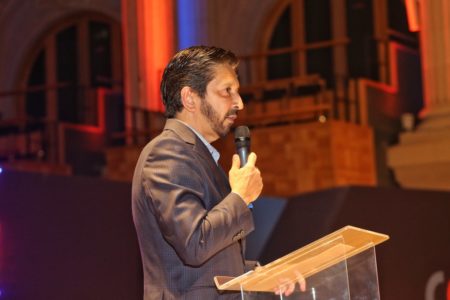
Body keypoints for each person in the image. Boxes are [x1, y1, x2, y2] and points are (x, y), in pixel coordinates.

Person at [131, 45, 264, 299]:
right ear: (190, 98)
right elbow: (195, 243)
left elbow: (210, 267)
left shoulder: (198, 157)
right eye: (227, 91)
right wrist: (239, 197)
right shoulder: (167, 152)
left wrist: (265, 276)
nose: (239, 103)